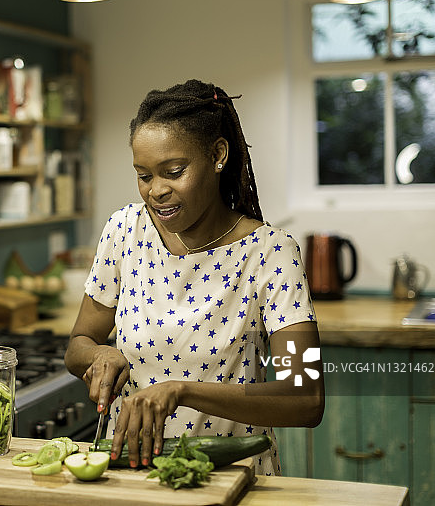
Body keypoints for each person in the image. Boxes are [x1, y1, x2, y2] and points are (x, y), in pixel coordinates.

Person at [64, 79, 324, 476]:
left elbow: (305, 399)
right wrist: (99, 354)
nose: (156, 191)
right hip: (133, 478)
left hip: (233, 480)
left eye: (173, 172)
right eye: (144, 176)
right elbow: (78, 345)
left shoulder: (270, 253)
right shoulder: (124, 231)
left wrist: (181, 390)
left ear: (218, 155)